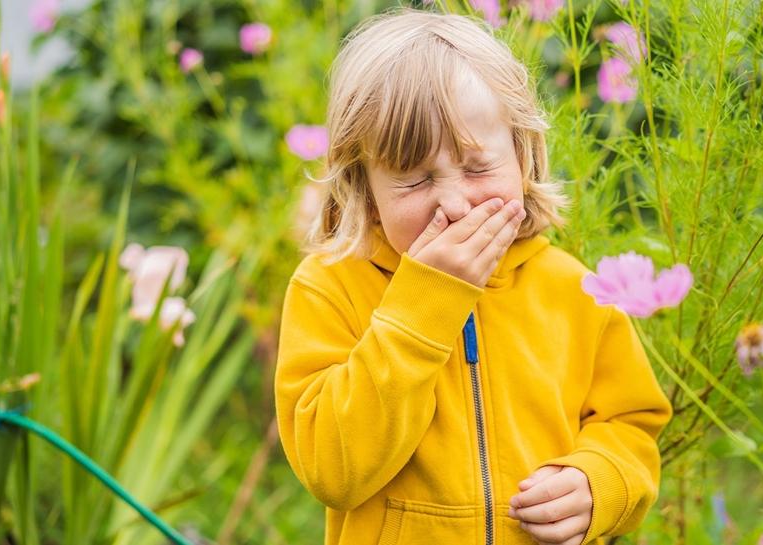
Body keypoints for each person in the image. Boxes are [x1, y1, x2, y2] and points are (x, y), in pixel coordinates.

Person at [274, 8, 673, 545]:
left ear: (524, 157)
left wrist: (597, 482)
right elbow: (333, 470)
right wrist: (423, 305)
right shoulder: (330, 288)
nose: (456, 204)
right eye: (414, 181)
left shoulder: (570, 289)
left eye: (479, 167)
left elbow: (630, 424)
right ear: (363, 187)